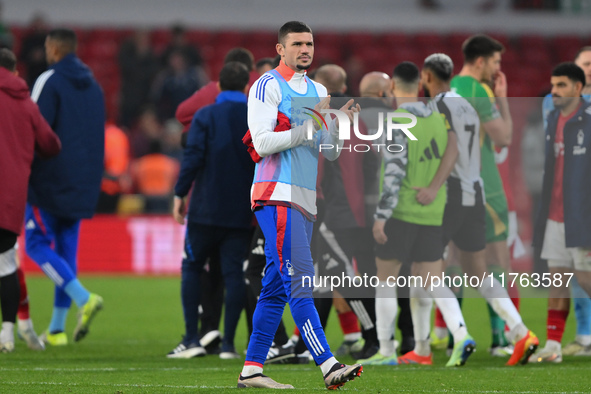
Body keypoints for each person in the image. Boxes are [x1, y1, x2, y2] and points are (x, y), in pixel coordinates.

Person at [238, 21, 362, 390]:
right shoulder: (266, 86)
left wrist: (338, 127)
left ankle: (252, 370)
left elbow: (329, 150)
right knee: (300, 282)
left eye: (309, 43)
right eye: (297, 44)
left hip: (304, 199)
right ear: (280, 49)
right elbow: (260, 143)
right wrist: (311, 124)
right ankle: (328, 364)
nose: (305, 49)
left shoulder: (318, 89)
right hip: (276, 194)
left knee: (276, 288)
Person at [360, 61, 474, 367]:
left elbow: (394, 173)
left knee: (384, 279)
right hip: (432, 211)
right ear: (419, 85)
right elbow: (453, 148)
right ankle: (461, 334)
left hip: (402, 210)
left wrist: (382, 216)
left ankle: (386, 349)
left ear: (391, 89)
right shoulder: (437, 117)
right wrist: (435, 187)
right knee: (432, 279)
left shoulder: (397, 120)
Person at [450, 34, 539, 363]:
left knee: (453, 262)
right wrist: (502, 99)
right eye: (496, 62)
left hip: (452, 186)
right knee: (497, 261)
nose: (498, 69)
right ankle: (504, 336)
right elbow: (504, 138)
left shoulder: (448, 88)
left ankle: (450, 335)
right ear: (480, 61)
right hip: (485, 185)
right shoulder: (479, 90)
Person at [25, 28, 105, 346]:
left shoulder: (49, 80)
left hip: (49, 181)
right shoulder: (95, 86)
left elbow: (32, 126)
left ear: (55, 49)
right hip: (83, 181)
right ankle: (57, 330)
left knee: (35, 243)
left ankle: (83, 297)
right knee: (65, 250)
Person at [170, 62, 254, 360]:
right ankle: (229, 345)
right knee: (234, 275)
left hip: (205, 209)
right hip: (241, 211)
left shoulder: (205, 115)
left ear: (219, 86)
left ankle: (192, 339)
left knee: (192, 268)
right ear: (246, 86)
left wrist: (180, 193)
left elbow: (192, 158)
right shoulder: (255, 116)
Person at [315, 64, 381, 360]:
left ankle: (371, 337)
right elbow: (371, 165)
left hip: (333, 213)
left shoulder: (321, 118)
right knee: (333, 277)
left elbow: (320, 170)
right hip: (361, 212)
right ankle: (311, 342)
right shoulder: (359, 119)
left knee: (340, 277)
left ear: (322, 88)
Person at [530, 63, 591, 363]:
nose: (554, 91)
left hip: (583, 217)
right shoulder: (553, 118)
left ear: (578, 88)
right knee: (557, 281)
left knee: (586, 280)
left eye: (562, 85)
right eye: (553, 85)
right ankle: (553, 347)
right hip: (555, 215)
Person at [0, 48, 60, 352]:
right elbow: (50, 143)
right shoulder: (25, 103)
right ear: (15, 72)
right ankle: (9, 333)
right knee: (6, 263)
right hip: (9, 196)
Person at [357, 71, 416, 356]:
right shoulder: (401, 121)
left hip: (359, 210)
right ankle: (410, 337)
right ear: (384, 94)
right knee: (402, 273)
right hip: (397, 209)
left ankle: (374, 340)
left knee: (369, 276)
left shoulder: (349, 123)